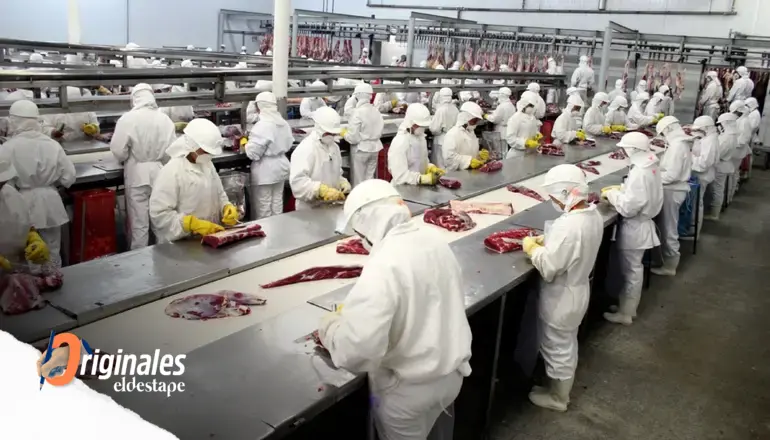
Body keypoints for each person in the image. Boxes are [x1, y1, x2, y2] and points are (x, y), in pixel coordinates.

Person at [321, 179, 472, 439]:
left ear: (367, 223)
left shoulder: (383, 264)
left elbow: (358, 350)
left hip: (408, 392)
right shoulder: (433, 239)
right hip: (451, 377)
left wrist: (331, 329)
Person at [521, 164, 603, 411]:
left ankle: (558, 399)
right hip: (577, 290)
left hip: (561, 296)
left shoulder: (570, 225)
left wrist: (533, 249)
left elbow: (549, 266)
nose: (553, 201)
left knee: (557, 347)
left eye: (555, 196)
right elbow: (572, 248)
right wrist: (549, 240)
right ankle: (556, 389)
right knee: (566, 343)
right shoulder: (591, 215)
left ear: (567, 194)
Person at [0, 100, 75, 267]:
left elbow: (5, 185)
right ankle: (54, 282)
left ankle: (35, 289)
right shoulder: (52, 145)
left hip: (21, 204)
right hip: (50, 202)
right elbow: (69, 177)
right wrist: (52, 184)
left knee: (28, 254)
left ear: (14, 120)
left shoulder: (8, 147)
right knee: (53, 251)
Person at [602, 133, 663, 325]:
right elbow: (639, 195)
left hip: (635, 228)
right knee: (633, 270)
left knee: (631, 272)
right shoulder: (649, 165)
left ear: (633, 149)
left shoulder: (640, 172)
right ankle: (626, 306)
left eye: (625, 148)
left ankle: (626, 313)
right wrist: (623, 190)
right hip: (642, 223)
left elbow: (629, 208)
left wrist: (613, 195)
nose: (623, 151)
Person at [110, 84, 177, 249]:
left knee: (139, 224)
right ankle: (167, 261)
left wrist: (129, 157)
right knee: (161, 220)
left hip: (137, 175)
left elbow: (119, 151)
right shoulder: (165, 119)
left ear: (134, 98)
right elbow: (171, 151)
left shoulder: (127, 119)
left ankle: (140, 264)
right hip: (160, 174)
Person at [149, 119, 238, 242]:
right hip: (183, 245)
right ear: (192, 145)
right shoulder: (172, 171)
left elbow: (219, 194)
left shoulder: (207, 164)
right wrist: (189, 224)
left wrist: (226, 207)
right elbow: (159, 214)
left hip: (210, 238)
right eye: (205, 150)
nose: (208, 154)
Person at [651, 116, 692, 276]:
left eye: (662, 133)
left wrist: (652, 177)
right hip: (673, 189)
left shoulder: (677, 146)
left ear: (668, 130)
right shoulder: (679, 144)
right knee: (667, 226)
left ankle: (670, 265)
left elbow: (672, 175)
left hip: (673, 190)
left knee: (669, 229)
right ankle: (665, 259)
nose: (663, 137)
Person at [244, 92, 293, 220]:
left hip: (265, 170)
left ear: (260, 107)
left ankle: (265, 237)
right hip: (281, 166)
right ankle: (276, 236)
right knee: (277, 206)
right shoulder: (283, 123)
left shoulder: (263, 125)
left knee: (263, 209)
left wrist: (245, 144)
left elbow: (252, 154)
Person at [289, 107, 350, 209]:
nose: (331, 136)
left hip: (331, 206)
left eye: (333, 133)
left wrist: (341, 181)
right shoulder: (306, 149)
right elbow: (297, 183)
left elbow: (336, 173)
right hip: (310, 209)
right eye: (328, 133)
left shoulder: (334, 147)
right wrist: (320, 190)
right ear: (319, 129)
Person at [0, 160, 50, 271]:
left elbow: (23, 224)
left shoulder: (11, 194)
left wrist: (33, 238)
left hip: (16, 276)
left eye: (2, 183)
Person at [388, 103, 444, 185]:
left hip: (417, 189)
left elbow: (420, 162)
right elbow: (399, 176)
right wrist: (420, 178)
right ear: (410, 122)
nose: (422, 128)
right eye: (419, 125)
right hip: (402, 190)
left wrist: (429, 167)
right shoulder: (400, 142)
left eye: (423, 126)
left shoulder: (421, 138)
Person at [343, 84, 384, 186]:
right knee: (370, 181)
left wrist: (344, 134)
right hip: (375, 149)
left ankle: (359, 201)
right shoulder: (376, 111)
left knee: (359, 182)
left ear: (358, 96)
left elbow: (353, 138)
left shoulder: (357, 113)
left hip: (361, 150)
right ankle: (369, 200)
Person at [689, 116, 719, 236]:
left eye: (700, 130)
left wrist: (689, 155)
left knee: (697, 204)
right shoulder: (708, 137)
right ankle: (693, 228)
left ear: (706, 128)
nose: (698, 132)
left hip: (702, 175)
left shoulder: (711, 141)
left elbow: (703, 164)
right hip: (702, 174)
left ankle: (694, 232)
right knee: (696, 202)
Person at [705, 113, 738, 221]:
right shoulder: (731, 134)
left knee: (717, 190)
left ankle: (714, 215)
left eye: (722, 124)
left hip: (721, 165)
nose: (721, 126)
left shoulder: (727, 138)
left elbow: (717, 153)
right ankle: (714, 211)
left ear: (726, 123)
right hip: (724, 164)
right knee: (718, 189)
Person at [442, 102, 488, 171]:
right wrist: (468, 161)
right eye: (474, 120)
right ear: (466, 118)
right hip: (456, 175)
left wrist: (478, 155)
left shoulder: (471, 132)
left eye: (477, 121)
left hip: (470, 172)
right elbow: (449, 158)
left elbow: (468, 151)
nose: (476, 124)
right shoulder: (453, 134)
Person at [428, 88, 459, 168]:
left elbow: (434, 129)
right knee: (448, 164)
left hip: (441, 140)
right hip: (453, 139)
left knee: (439, 165)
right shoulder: (455, 109)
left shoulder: (441, 110)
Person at [505, 92, 542, 158]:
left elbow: (532, 130)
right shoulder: (515, 118)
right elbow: (510, 138)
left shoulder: (532, 117)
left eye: (533, 106)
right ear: (524, 105)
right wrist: (525, 142)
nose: (533, 108)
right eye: (530, 106)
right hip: (517, 154)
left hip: (530, 153)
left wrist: (537, 134)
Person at [731, 100, 751, 199]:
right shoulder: (741, 119)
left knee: (734, 173)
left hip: (737, 151)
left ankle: (731, 193)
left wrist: (732, 142)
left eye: (735, 112)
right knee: (734, 173)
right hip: (736, 151)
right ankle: (731, 191)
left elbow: (743, 140)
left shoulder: (744, 122)